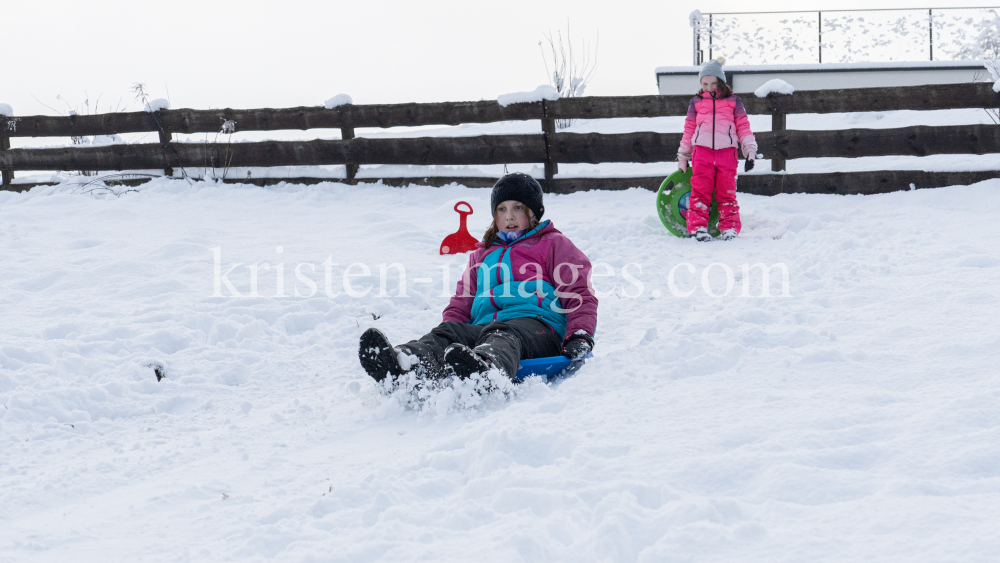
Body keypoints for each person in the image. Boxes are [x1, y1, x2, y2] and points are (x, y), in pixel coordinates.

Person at [359, 173, 598, 383]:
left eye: (518, 208)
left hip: (536, 328)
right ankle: (404, 364)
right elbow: (461, 303)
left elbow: (579, 294)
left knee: (503, 334)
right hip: (484, 329)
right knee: (449, 332)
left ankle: (487, 370)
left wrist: (579, 335)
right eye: (502, 209)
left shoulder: (552, 243)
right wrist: (451, 329)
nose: (509, 216)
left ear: (535, 212)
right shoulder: (482, 254)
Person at [677, 57, 757, 242]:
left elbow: (743, 127)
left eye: (713, 83)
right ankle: (698, 228)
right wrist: (683, 156)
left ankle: (729, 227)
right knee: (700, 191)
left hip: (727, 154)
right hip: (702, 153)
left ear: (721, 82)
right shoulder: (696, 103)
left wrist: (750, 151)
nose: (709, 87)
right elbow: (689, 130)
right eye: (705, 83)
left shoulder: (734, 102)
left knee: (726, 192)